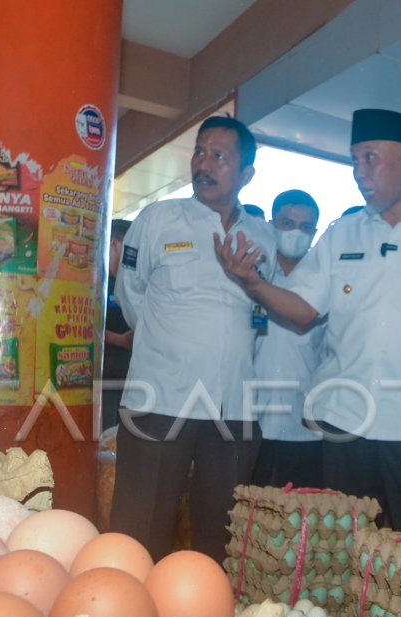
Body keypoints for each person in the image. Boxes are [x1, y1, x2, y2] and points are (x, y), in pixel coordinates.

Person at [217, 108, 401, 534]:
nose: (359, 173)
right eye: (354, 160)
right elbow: (303, 308)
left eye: (370, 158)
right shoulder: (340, 234)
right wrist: (252, 283)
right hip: (345, 423)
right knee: (343, 549)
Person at [110, 115, 275, 562]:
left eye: (219, 156)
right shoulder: (159, 219)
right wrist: (173, 345)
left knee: (220, 535)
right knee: (139, 528)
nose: (204, 163)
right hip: (160, 399)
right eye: (199, 152)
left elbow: (263, 313)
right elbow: (131, 296)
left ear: (246, 175)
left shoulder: (263, 236)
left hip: (234, 409)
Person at [251, 189, 326, 490]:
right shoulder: (252, 274)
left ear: (315, 232)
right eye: (287, 223)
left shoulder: (323, 281)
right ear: (271, 224)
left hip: (305, 426)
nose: (296, 232)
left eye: (306, 227)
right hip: (252, 419)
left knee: (300, 518)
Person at [101, 218, 133, 433]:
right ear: (114, 244)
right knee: (103, 434)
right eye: (130, 247)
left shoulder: (132, 282)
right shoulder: (97, 280)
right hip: (103, 380)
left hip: (131, 379)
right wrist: (120, 340)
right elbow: (83, 325)